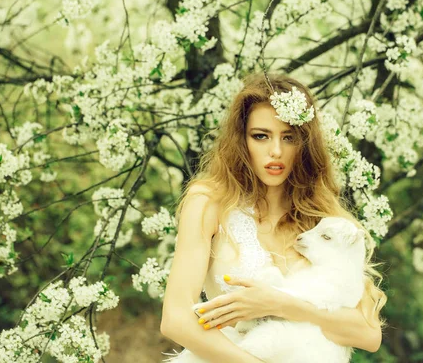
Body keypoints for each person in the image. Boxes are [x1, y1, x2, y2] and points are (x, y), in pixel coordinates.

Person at [160, 72, 387, 362]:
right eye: (261, 136)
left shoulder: (324, 222)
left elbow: (368, 335)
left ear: (304, 144)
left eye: (289, 137)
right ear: (242, 140)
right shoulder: (209, 203)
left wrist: (282, 304)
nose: (276, 151)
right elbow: (176, 319)